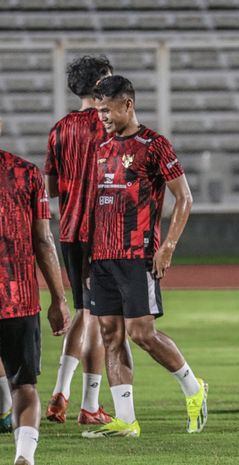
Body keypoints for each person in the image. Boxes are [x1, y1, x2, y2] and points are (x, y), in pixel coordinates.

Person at [81, 75, 207, 438]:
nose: (101, 116)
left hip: (137, 254)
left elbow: (184, 198)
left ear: (128, 105)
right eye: (98, 109)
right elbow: (98, 205)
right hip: (103, 257)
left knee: (141, 333)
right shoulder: (101, 148)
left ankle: (193, 388)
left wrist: (167, 246)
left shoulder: (155, 145)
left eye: (107, 109)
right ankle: (126, 419)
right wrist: (90, 257)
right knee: (110, 334)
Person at [44, 55, 113, 425]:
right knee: (99, 317)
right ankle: (90, 405)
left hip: (69, 230)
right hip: (104, 232)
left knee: (84, 310)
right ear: (103, 82)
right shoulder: (109, 125)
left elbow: (53, 187)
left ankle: (60, 391)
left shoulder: (58, 129)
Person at [0, 118, 71, 464]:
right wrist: (59, 298)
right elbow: (43, 240)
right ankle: (24, 456)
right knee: (24, 387)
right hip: (19, 301)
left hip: (19, 301)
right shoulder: (27, 174)